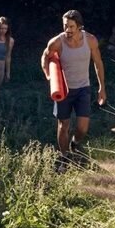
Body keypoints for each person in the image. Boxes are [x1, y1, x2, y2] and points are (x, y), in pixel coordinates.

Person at [41, 10, 106, 168]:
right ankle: (64, 157)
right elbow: (45, 56)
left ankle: (75, 143)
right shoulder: (57, 42)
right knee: (64, 125)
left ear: (79, 26)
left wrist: (102, 87)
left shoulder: (90, 40)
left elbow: (98, 63)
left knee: (83, 127)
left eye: (71, 26)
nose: (67, 30)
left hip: (83, 87)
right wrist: (49, 76)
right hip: (64, 90)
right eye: (65, 26)